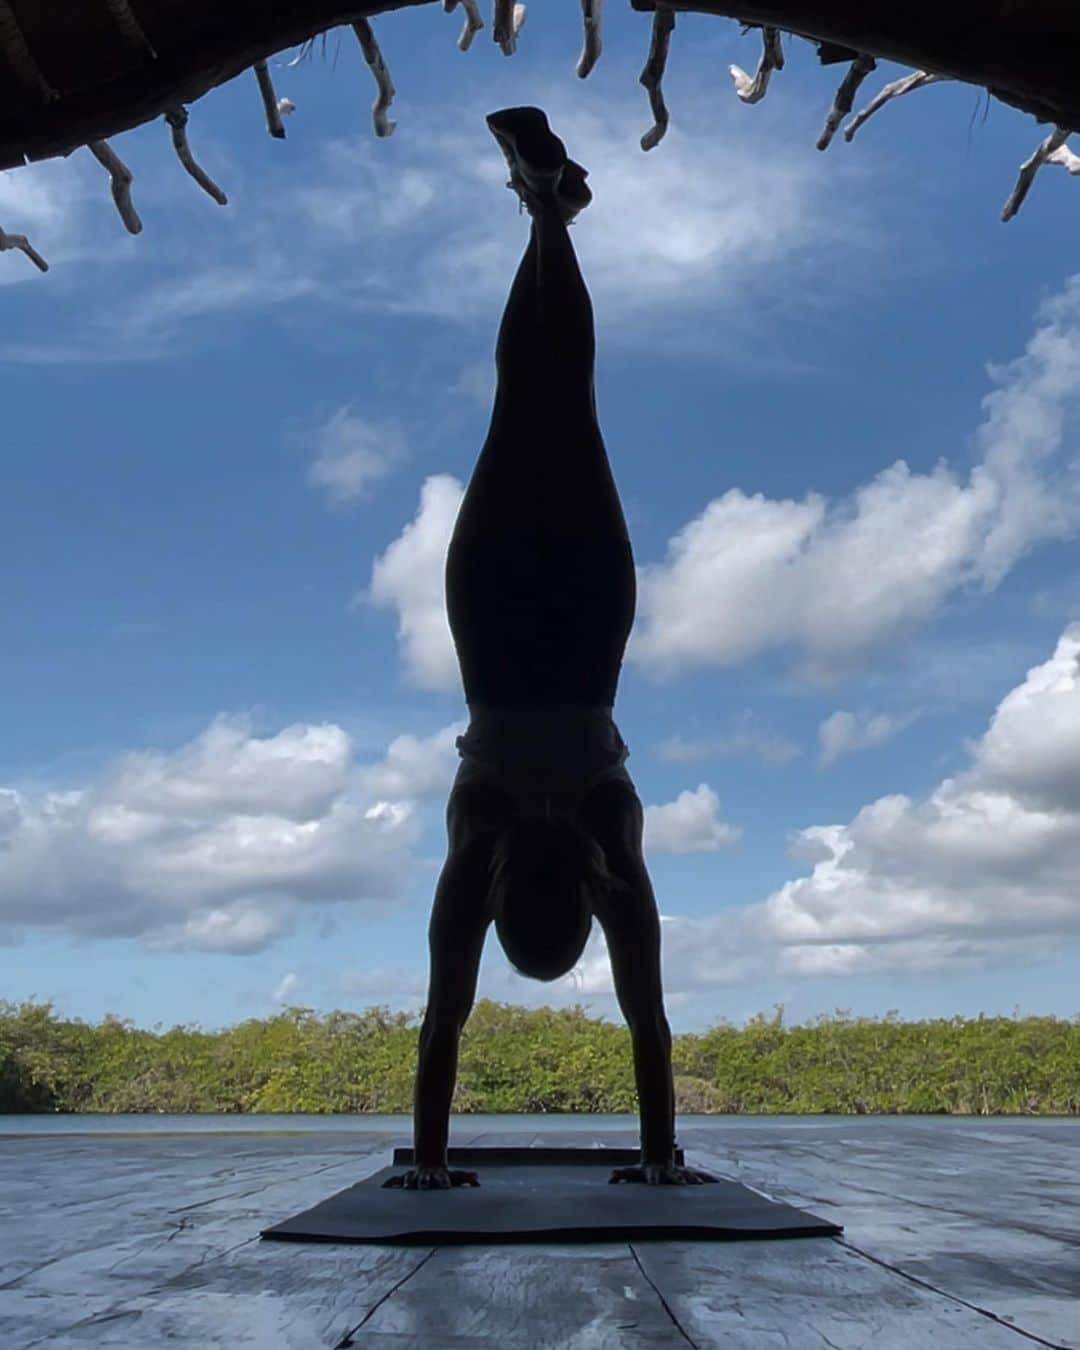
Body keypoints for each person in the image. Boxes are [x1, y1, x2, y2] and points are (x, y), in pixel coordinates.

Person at [384, 107, 716, 1191]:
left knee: (556, 403)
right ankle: (546, 213)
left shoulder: (608, 844)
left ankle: (551, 215)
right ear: (506, 906)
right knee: (528, 404)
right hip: (490, 627)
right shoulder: (481, 846)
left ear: (573, 910)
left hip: (586, 636)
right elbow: (444, 1018)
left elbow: (651, 1024)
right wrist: (428, 1162)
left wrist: (662, 1155)